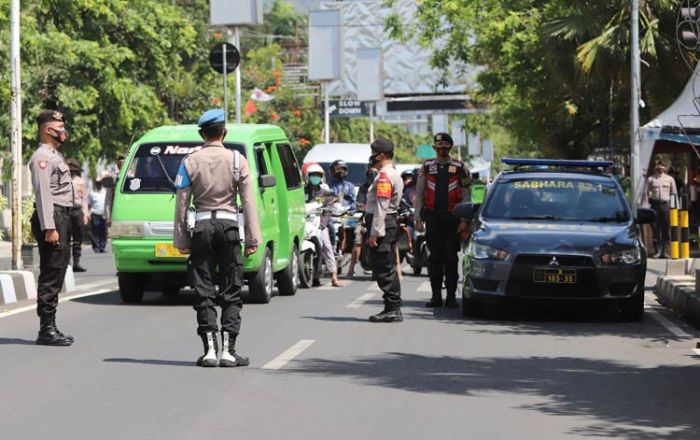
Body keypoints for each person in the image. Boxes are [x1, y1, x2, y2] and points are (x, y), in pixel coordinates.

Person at [174, 109, 262, 368]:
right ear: (224, 132)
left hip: (201, 226)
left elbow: (182, 203)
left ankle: (209, 350)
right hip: (229, 227)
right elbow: (248, 202)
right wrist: (253, 239)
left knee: (203, 289)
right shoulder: (238, 160)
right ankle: (229, 351)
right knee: (231, 289)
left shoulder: (189, 161)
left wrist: (181, 239)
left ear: (202, 134)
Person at [29, 110, 74, 346]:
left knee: (58, 269)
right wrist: (49, 227)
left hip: (61, 215)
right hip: (53, 216)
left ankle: (51, 325)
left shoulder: (54, 155)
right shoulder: (41, 158)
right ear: (48, 130)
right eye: (59, 126)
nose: (63, 131)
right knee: (51, 270)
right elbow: (44, 195)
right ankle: (46, 329)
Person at [414, 133, 471, 309]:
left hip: (453, 218)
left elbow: (467, 194)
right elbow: (420, 193)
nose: (442, 147)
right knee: (435, 257)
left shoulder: (460, 167)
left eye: (445, 144)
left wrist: (465, 219)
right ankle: (436, 296)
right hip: (433, 218)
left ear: (450, 146)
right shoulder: (426, 167)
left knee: (451, 258)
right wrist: (417, 217)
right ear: (434, 147)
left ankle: (452, 297)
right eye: (439, 144)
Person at [366, 139, 404, 323]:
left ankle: (393, 309)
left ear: (380, 155)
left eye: (373, 153)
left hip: (384, 225)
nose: (371, 156)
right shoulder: (392, 173)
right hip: (389, 223)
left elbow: (381, 206)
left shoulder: (384, 176)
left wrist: (375, 232)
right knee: (386, 267)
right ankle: (391, 307)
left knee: (384, 269)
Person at [304, 163, 343, 287]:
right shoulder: (301, 191)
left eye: (318, 175)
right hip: (305, 222)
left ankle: (333, 276)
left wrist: (322, 225)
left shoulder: (327, 193)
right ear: (307, 176)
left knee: (327, 246)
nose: (315, 177)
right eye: (312, 175)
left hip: (319, 224)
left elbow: (328, 210)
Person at [642, 160, 677, 259]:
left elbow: (674, 193)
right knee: (655, 228)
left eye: (661, 166)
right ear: (655, 167)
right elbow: (645, 193)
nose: (660, 168)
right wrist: (644, 207)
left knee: (665, 228)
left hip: (665, 205)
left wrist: (675, 207)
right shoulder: (650, 179)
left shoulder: (670, 179)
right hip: (654, 205)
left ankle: (665, 251)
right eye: (658, 166)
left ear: (664, 168)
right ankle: (657, 251)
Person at [346, 167, 378, 278]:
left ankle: (393, 269)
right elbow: (360, 204)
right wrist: (364, 208)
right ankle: (351, 269)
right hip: (364, 219)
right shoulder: (363, 188)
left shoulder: (381, 187)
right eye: (371, 174)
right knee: (357, 240)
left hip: (378, 219)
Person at [67, 158, 89, 272]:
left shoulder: (80, 181)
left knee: (78, 237)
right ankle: (66, 263)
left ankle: (76, 263)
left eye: (73, 169)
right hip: (66, 210)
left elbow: (84, 199)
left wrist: (85, 214)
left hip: (77, 210)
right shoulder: (62, 180)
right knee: (65, 237)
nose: (71, 171)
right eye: (69, 169)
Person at [88, 177, 108, 253]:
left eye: (100, 182)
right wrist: (88, 214)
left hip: (104, 214)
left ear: (102, 183)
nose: (99, 184)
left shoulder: (105, 192)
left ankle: (102, 247)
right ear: (95, 183)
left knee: (104, 231)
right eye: (97, 183)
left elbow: (107, 204)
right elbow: (89, 205)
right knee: (95, 231)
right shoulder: (92, 193)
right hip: (95, 214)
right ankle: (96, 247)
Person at [104, 154, 125, 227]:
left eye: (123, 159)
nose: (122, 162)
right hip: (115, 208)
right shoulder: (112, 176)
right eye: (120, 160)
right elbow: (108, 197)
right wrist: (108, 216)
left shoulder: (132, 175)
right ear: (117, 162)